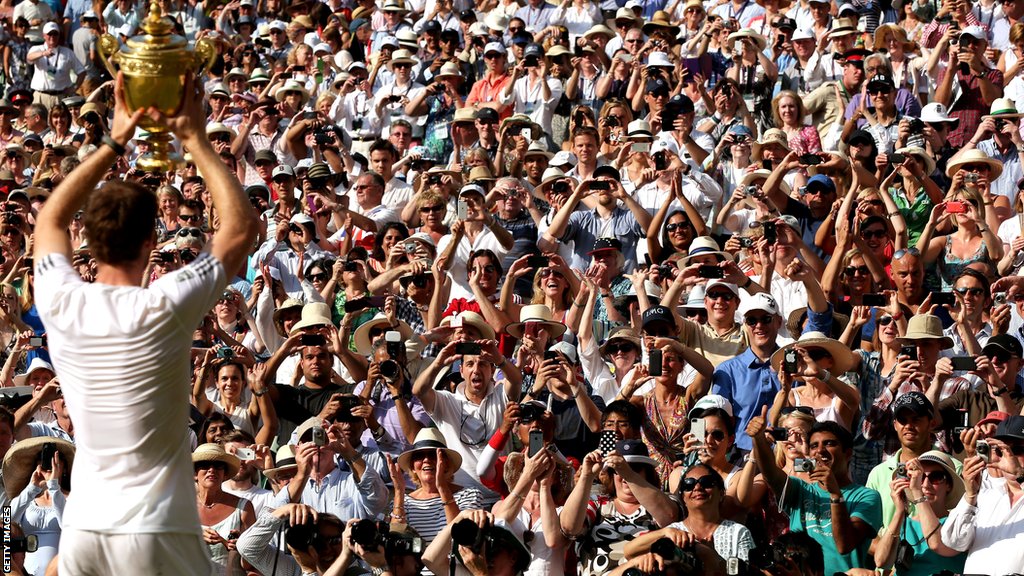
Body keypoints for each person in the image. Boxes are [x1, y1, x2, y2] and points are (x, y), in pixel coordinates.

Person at [33, 74, 257, 575]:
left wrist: (114, 139)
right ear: (152, 243)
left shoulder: (61, 300)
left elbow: (48, 219)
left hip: (85, 530)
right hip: (156, 531)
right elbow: (241, 228)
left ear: (87, 239)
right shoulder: (165, 304)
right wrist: (195, 137)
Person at [748, 412, 882, 575]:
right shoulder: (800, 490)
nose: (820, 450)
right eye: (813, 446)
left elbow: (844, 545)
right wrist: (758, 439)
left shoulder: (866, 497)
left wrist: (835, 495)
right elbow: (770, 473)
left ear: (848, 453)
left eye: (829, 443)